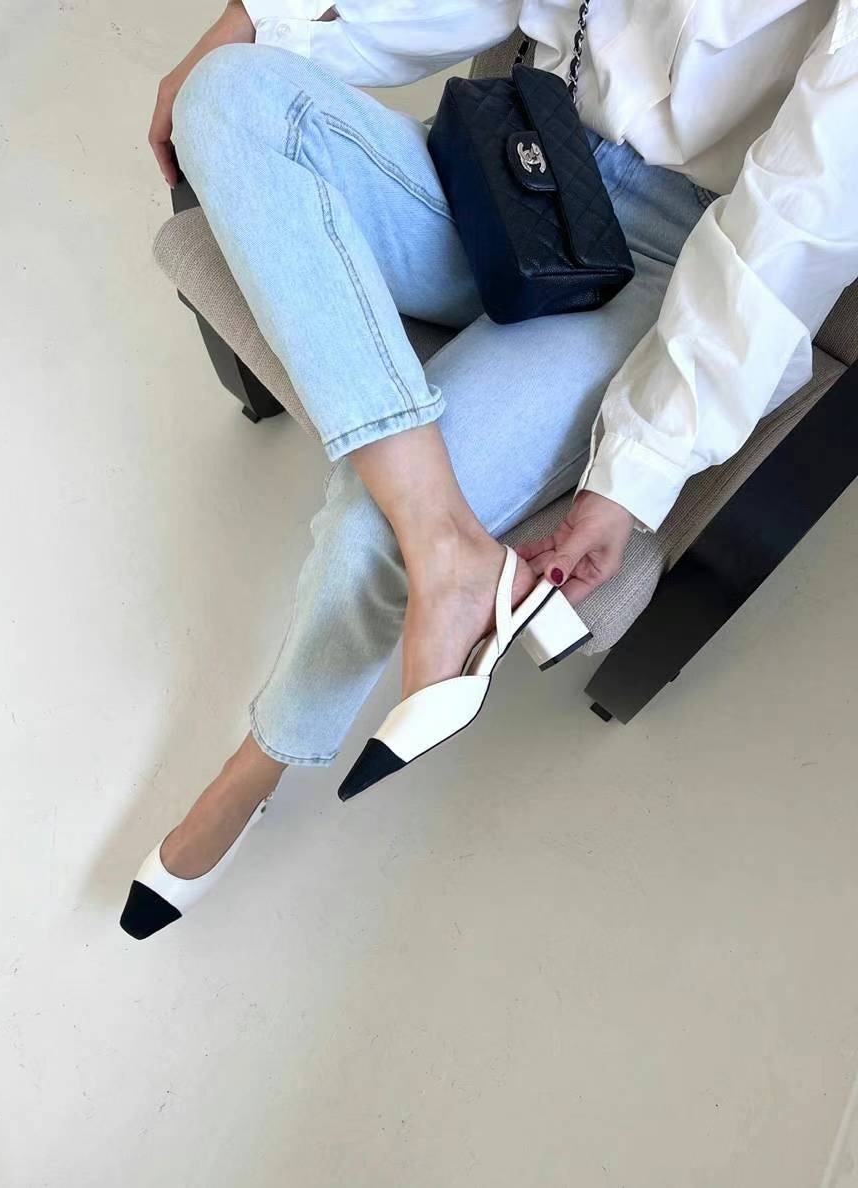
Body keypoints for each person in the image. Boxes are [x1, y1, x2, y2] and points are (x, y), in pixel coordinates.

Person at [120, 0, 858, 938]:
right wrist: (255, 19)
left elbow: (787, 237)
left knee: (371, 521)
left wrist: (634, 472)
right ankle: (452, 551)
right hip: (519, 158)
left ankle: (259, 762)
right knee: (225, 94)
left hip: (676, 262)